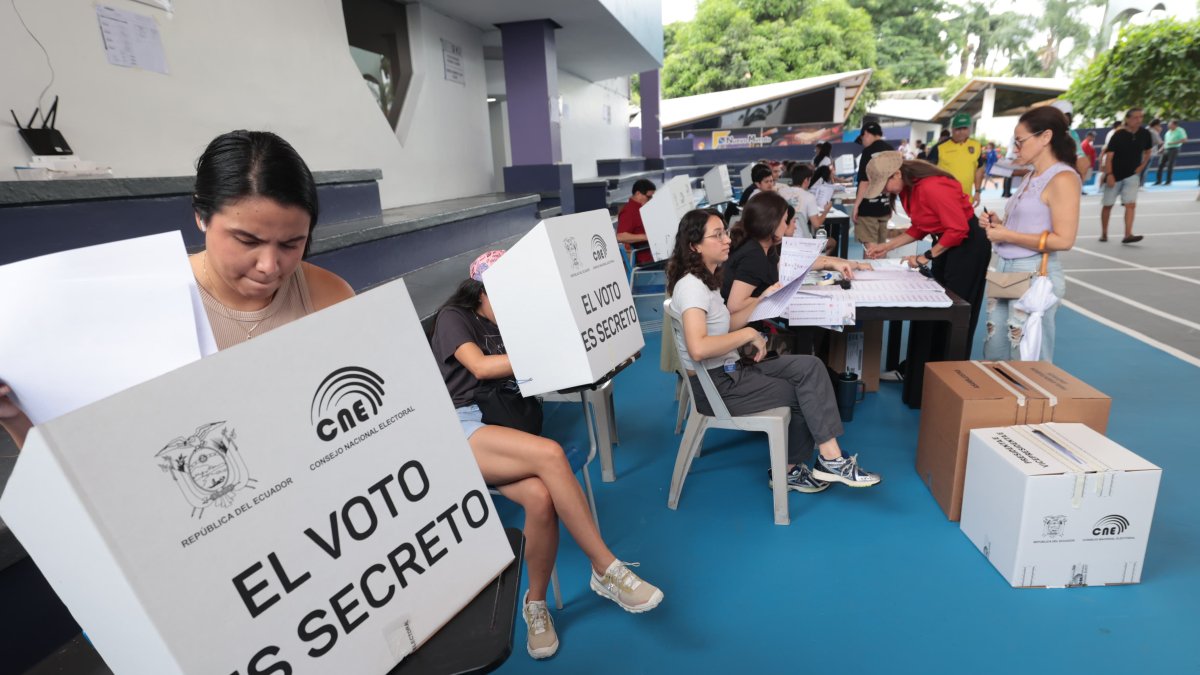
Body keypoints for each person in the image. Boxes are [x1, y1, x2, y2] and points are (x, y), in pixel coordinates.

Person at [0, 130, 356, 450]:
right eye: (247, 240)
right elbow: (94, 457)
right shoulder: (145, 303)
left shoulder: (330, 298)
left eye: (292, 244)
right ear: (201, 215)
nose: (269, 265)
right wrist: (15, 417)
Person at [430, 252, 663, 660]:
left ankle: (534, 604)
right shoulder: (455, 317)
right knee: (552, 455)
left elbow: (542, 375)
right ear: (481, 292)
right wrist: (550, 352)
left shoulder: (515, 323)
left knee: (540, 499)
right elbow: (480, 367)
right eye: (505, 295)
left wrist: (591, 358)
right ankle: (605, 567)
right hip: (458, 427)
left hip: (502, 430)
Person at [668, 208, 881, 493]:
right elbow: (698, 348)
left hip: (730, 371)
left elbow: (724, 324)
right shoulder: (691, 287)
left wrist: (761, 298)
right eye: (717, 235)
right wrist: (747, 334)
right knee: (804, 392)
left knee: (811, 366)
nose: (727, 239)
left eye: (725, 232)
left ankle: (820, 461)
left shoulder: (707, 279)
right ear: (695, 246)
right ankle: (812, 464)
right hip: (718, 387)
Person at [862, 152, 991, 382]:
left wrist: (926, 257)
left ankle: (949, 378)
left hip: (967, 247)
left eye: (884, 184)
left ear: (897, 174)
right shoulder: (907, 190)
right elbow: (920, 226)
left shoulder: (932, 186)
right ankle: (920, 371)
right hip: (945, 243)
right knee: (933, 307)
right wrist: (887, 246)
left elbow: (958, 230)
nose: (884, 191)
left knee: (954, 311)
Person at [980, 106, 1080, 362]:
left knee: (1027, 355)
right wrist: (998, 224)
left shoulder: (1063, 178)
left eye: (1020, 141)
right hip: (1006, 268)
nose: (1015, 148)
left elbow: (1064, 240)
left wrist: (1007, 236)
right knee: (995, 349)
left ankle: (1028, 391)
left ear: (1045, 137)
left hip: (1034, 270)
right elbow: (1028, 224)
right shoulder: (1031, 176)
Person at [721, 191, 862, 314]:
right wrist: (767, 296)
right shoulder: (753, 255)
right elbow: (735, 305)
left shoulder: (764, 246)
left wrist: (832, 263)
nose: (786, 226)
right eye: (784, 221)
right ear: (771, 223)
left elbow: (789, 264)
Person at [1101, 108, 1151, 244]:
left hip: (1132, 175)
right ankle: (1104, 233)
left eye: (1141, 117)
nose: (1138, 120)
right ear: (1127, 119)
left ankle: (1128, 234)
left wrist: (1142, 166)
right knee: (1108, 205)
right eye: (1135, 117)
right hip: (1115, 174)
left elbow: (1148, 151)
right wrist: (1109, 174)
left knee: (1131, 205)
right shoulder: (1118, 135)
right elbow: (1109, 156)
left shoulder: (1145, 134)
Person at [851, 119, 894, 251]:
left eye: (862, 139)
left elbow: (865, 181)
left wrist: (856, 206)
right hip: (885, 206)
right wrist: (891, 205)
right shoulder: (891, 150)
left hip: (868, 207)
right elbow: (895, 180)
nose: (863, 143)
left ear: (866, 133)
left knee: (870, 249)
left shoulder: (868, 152)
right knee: (881, 247)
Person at [928, 113, 984, 205]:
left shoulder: (976, 146)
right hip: (944, 199)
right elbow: (927, 171)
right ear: (952, 129)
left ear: (969, 129)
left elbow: (979, 168)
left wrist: (977, 191)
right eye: (958, 129)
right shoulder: (939, 148)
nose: (961, 132)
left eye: (964, 128)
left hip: (967, 199)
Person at [776, 164, 831, 238]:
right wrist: (826, 211)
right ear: (806, 180)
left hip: (782, 238)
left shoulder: (781, 192)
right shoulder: (809, 196)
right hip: (801, 239)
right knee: (832, 241)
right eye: (809, 179)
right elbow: (816, 224)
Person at [615, 179, 657, 265]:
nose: (651, 200)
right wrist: (647, 237)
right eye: (648, 197)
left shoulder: (644, 208)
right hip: (645, 259)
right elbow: (620, 236)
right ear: (638, 194)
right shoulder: (629, 211)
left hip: (654, 253)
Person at [1156, 120, 1188, 185]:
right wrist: (1161, 149)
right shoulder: (1168, 132)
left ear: (1175, 125)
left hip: (1174, 149)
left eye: (1170, 124)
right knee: (1160, 164)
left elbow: (1184, 140)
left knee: (1170, 165)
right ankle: (1158, 181)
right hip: (1166, 149)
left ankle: (1168, 181)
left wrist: (1173, 143)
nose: (1168, 125)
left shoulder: (1180, 130)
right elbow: (1166, 142)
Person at [1139, 118, 1164, 186]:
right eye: (1159, 125)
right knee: (1144, 169)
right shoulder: (1153, 132)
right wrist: (1158, 132)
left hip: (1143, 152)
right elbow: (1160, 142)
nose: (1160, 127)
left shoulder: (1146, 129)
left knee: (1142, 168)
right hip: (1149, 153)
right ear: (1156, 125)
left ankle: (1139, 184)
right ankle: (1140, 185)